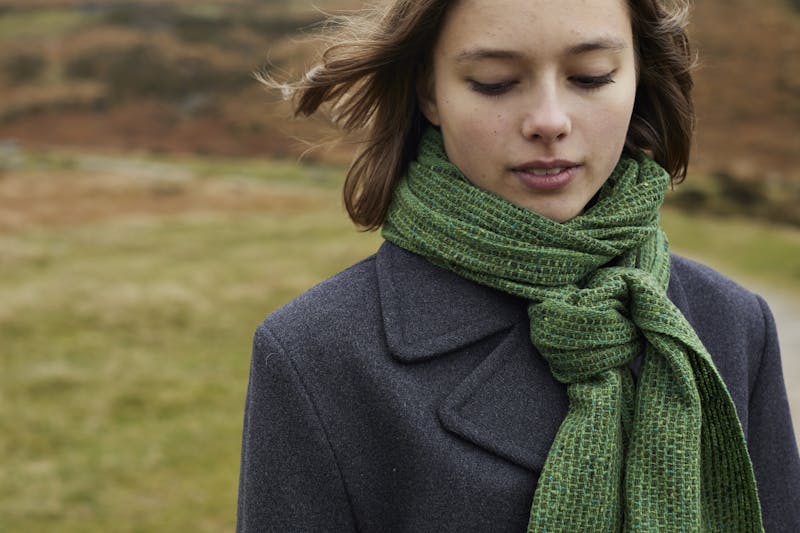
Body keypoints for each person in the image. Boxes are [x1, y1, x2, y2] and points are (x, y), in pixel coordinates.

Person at [236, 0, 800, 531]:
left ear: (638, 78)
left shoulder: (733, 322)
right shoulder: (316, 354)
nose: (549, 121)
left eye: (592, 76)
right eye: (494, 82)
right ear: (429, 92)